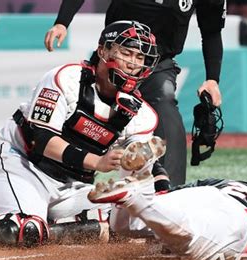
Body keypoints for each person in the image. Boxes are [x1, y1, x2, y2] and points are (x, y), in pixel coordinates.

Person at [0, 20, 168, 248]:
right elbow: (42, 141)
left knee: (126, 223)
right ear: (104, 50)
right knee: (24, 229)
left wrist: (152, 179)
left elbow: (146, 166)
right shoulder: (67, 79)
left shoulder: (142, 114)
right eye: (126, 52)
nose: (133, 63)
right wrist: (97, 162)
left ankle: (49, 230)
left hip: (72, 184)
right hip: (21, 164)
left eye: (140, 57)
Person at [44, 0, 227, 186]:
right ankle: (58, 174)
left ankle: (168, 191)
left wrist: (212, 79)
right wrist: (62, 22)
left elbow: (211, 31)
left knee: (164, 107)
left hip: (157, 65)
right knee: (85, 110)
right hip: (115, 57)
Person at [88, 163, 247, 260]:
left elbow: (171, 194)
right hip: (240, 222)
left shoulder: (224, 181)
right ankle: (133, 196)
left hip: (208, 194)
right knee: (187, 239)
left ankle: (133, 185)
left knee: (129, 227)